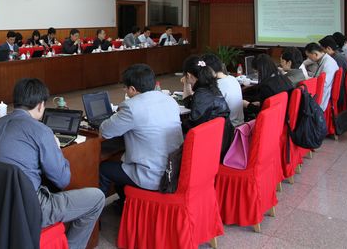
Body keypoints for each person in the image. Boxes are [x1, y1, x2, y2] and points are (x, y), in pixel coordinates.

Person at [0, 78, 105, 249]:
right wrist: (55, 147)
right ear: (40, 105)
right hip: (28, 209)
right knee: (97, 198)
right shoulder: (41, 130)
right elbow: (63, 180)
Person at [99, 64, 182, 203]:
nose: (125, 90)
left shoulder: (131, 106)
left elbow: (105, 131)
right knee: (120, 162)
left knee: (104, 169)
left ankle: (96, 213)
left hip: (152, 175)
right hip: (173, 169)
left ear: (132, 89)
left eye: (125, 88)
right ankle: (128, 205)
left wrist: (118, 114)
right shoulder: (169, 100)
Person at [181, 56, 234, 158]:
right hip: (224, 140)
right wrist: (186, 84)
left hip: (214, 146)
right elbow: (189, 103)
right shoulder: (212, 87)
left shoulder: (201, 93)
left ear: (188, 75)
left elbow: (193, 124)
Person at [243, 54, 294, 120]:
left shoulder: (266, 87)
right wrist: (262, 103)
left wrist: (247, 104)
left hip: (273, 119)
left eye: (256, 72)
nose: (256, 75)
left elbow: (263, 111)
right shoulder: (284, 78)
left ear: (261, 70)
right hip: (284, 117)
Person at [201, 53, 244, 126]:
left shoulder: (216, 85)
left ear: (209, 70)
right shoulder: (233, 79)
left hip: (228, 128)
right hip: (240, 125)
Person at [303, 43, 339, 112]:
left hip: (323, 95)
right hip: (323, 91)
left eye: (309, 56)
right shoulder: (324, 60)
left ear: (315, 54)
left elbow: (323, 84)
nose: (309, 59)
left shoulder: (328, 64)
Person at [319, 36, 347, 108]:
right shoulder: (338, 54)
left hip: (338, 92)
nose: (321, 53)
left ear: (328, 48)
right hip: (342, 88)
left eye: (322, 50)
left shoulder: (335, 60)